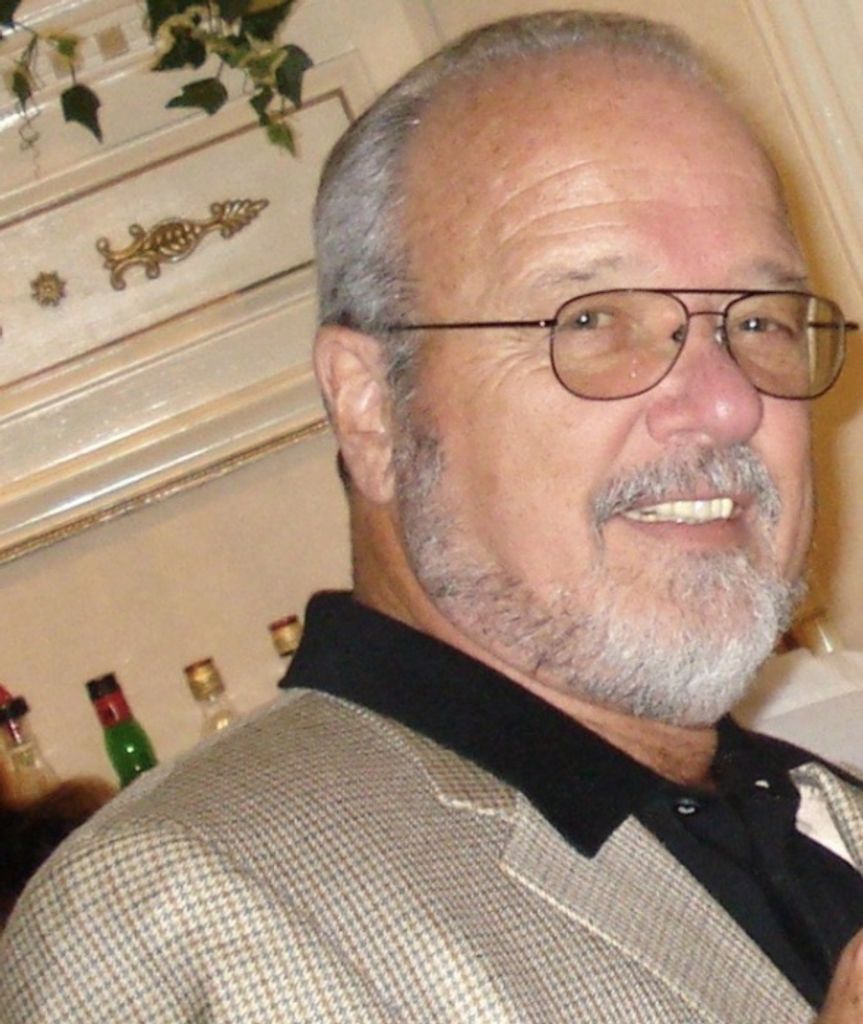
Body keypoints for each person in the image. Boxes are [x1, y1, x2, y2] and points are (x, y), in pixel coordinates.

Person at [2, 10, 862, 1022]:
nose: (727, 404)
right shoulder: (171, 914)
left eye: (758, 320)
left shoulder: (813, 806)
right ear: (371, 408)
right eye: (592, 321)